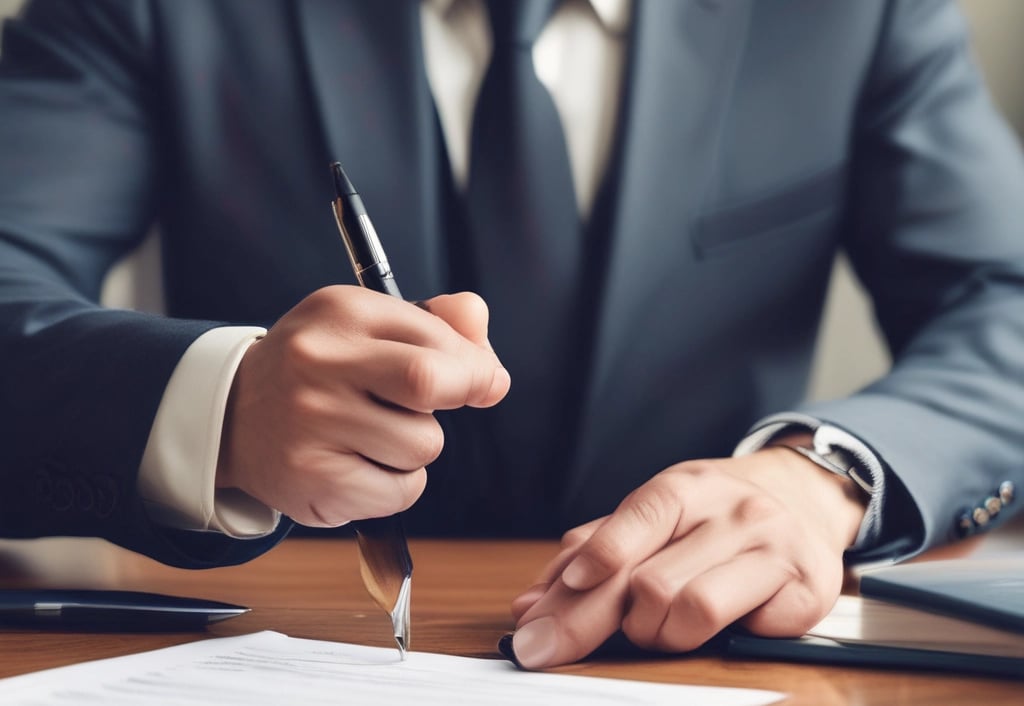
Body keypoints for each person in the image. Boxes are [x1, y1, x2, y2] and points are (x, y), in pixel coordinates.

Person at [1, 0, 1023, 671]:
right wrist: (219, 406)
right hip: (292, 641)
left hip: (712, 651)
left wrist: (823, 476)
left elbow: (1004, 301)